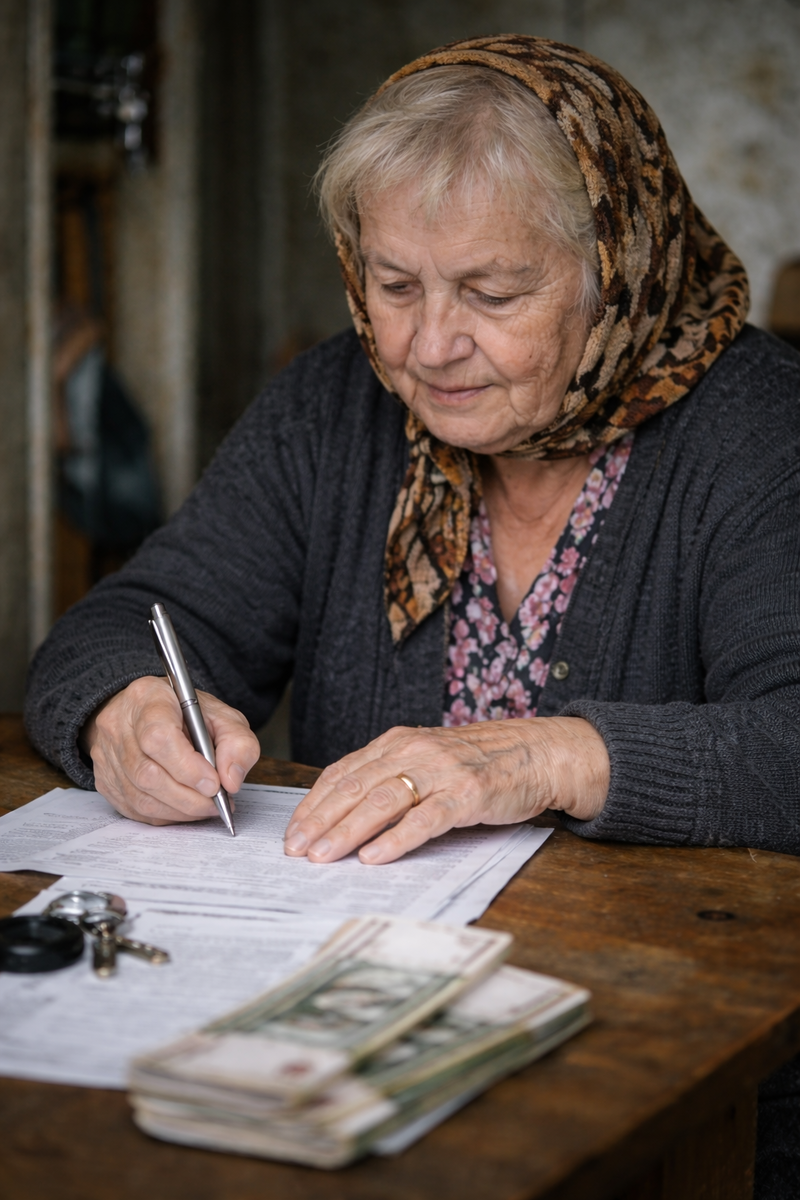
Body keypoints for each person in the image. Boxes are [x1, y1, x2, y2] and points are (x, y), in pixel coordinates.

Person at [24, 37, 800, 1193]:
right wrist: (122, 714)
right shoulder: (335, 408)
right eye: (392, 285)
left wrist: (544, 753)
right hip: (338, 1047)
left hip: (685, 1083)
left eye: (491, 293)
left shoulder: (755, 432)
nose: (426, 347)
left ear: (614, 266)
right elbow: (128, 622)